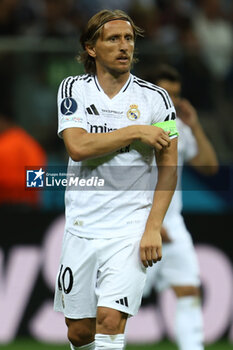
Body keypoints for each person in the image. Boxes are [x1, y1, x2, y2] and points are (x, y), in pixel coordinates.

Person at [54, 9, 178, 350]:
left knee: (110, 322)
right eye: (113, 39)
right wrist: (136, 130)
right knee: (79, 332)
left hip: (129, 226)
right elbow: (78, 146)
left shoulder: (157, 100)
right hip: (81, 225)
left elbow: (169, 166)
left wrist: (153, 226)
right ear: (91, 48)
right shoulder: (74, 89)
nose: (124, 46)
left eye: (129, 39)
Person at [143, 64, 218, 350]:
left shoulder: (179, 129)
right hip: (141, 226)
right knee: (120, 304)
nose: (171, 101)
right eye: (165, 93)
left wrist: (194, 125)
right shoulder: (138, 130)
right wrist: (152, 223)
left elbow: (209, 166)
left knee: (188, 292)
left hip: (173, 225)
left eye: (176, 94)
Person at [0, 106, 46, 207]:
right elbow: (37, 180)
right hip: (29, 206)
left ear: (3, 120)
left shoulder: (4, 144)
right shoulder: (30, 144)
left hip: (6, 204)